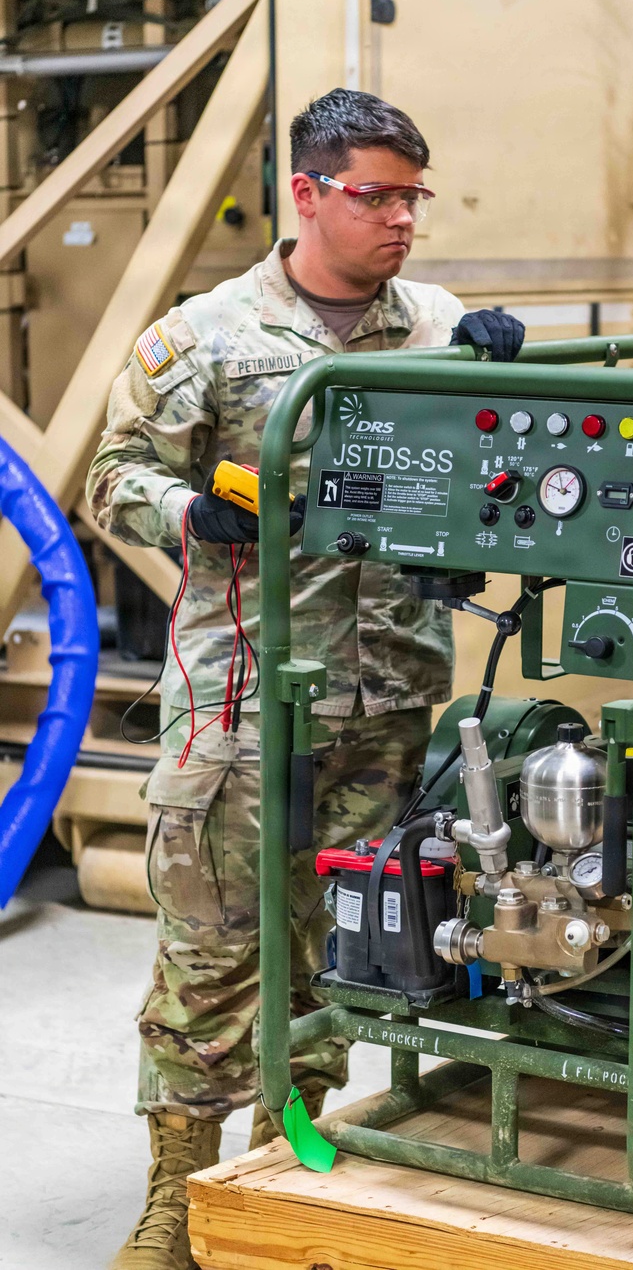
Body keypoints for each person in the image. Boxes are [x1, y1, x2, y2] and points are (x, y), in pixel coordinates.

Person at [87, 87, 524, 1270]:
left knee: (350, 941)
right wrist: (186, 510)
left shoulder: (434, 322)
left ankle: (296, 1151)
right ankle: (178, 1186)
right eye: (376, 195)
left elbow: (500, 468)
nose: (401, 222)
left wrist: (508, 380)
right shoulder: (212, 335)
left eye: (413, 198)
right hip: (240, 700)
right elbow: (112, 473)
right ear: (307, 192)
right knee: (215, 948)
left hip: (385, 701)